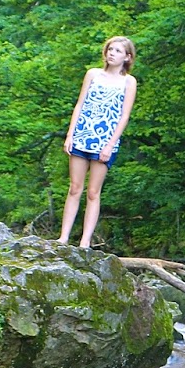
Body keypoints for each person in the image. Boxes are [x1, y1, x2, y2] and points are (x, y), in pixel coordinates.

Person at [58, 35, 137, 248]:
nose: (112, 53)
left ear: (127, 57)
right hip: (82, 136)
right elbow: (80, 104)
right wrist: (70, 135)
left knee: (93, 192)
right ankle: (63, 237)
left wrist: (110, 145)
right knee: (75, 187)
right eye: (110, 49)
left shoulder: (128, 82)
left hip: (105, 142)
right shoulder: (93, 74)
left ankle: (85, 241)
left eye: (118, 51)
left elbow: (124, 116)